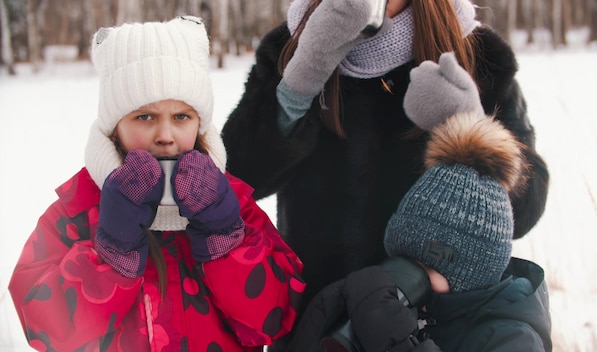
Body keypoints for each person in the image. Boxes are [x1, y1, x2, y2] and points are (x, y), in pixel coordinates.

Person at [220, 0, 550, 319]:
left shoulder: (476, 54)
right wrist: (298, 83)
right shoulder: (290, 46)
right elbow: (236, 178)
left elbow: (524, 210)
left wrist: (472, 131)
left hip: (437, 327)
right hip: (320, 322)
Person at [9, 16, 305, 352]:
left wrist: (225, 238)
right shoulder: (78, 208)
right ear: (114, 124)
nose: (165, 137)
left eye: (181, 117)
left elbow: (273, 320)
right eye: (145, 117)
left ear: (199, 123)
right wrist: (111, 254)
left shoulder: (231, 203)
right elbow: (44, 328)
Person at [288, 56, 552, 351]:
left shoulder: (511, 336)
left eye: (426, 266)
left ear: (472, 271)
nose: (408, 276)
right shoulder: (422, 316)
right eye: (403, 260)